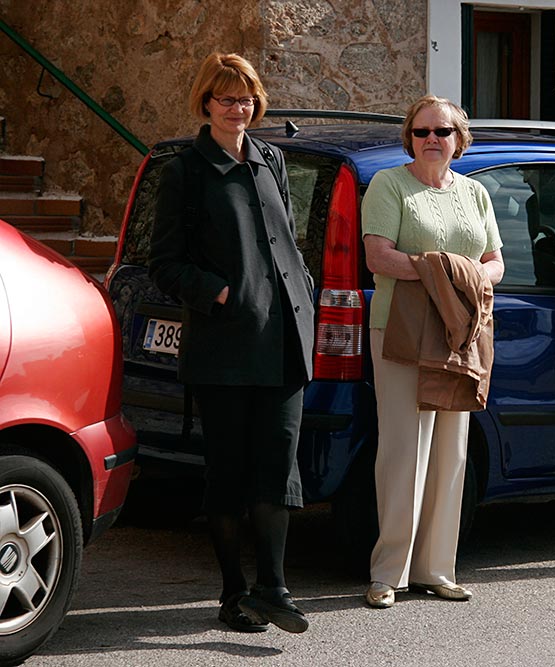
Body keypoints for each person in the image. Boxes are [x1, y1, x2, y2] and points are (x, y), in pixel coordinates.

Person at [149, 52, 315, 632]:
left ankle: (274, 587)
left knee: (279, 465)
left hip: (283, 340)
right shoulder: (185, 171)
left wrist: (304, 291)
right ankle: (232, 594)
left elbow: (287, 241)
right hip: (223, 345)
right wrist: (219, 293)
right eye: (226, 98)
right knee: (228, 471)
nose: (237, 108)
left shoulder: (271, 158)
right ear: (206, 102)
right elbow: (163, 263)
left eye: (245, 98)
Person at [361, 95, 504, 608]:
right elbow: (379, 256)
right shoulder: (388, 185)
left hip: (460, 330)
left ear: (458, 140)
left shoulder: (476, 193)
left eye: (441, 131)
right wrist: (448, 272)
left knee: (452, 451)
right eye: (421, 131)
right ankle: (388, 573)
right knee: (404, 450)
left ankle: (437, 569)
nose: (431, 140)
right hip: (400, 328)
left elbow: (494, 264)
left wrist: (462, 281)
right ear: (409, 137)